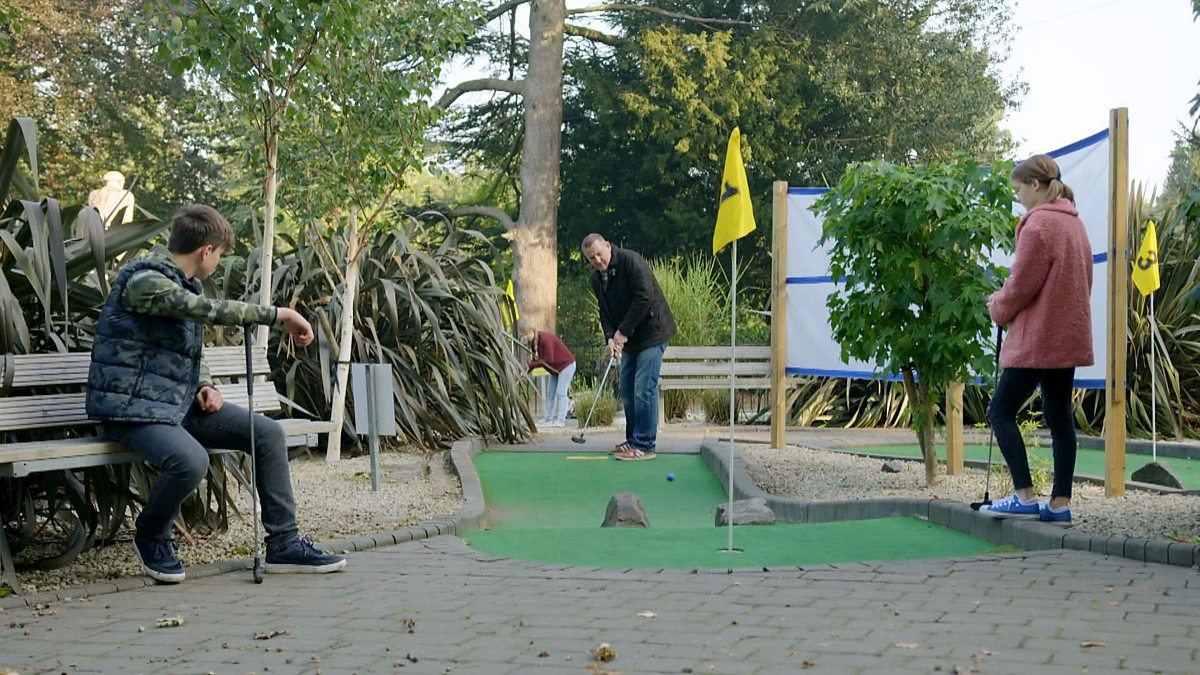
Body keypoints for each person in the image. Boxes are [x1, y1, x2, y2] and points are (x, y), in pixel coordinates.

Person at [86, 204, 347, 583]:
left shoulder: (180, 285)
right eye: (220, 254)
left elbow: (189, 351)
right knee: (191, 460)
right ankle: (151, 535)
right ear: (206, 251)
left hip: (176, 405)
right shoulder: (146, 281)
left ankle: (284, 544)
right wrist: (280, 315)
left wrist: (205, 385)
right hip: (132, 410)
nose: (219, 262)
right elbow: (204, 310)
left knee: (268, 434)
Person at [980, 155, 1093, 524]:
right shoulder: (1075, 224)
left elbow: (1020, 286)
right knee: (1059, 418)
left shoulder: (1039, 226)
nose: (1018, 197)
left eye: (1019, 189)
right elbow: (1084, 280)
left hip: (1039, 339)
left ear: (1035, 185)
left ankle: (1025, 496)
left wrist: (996, 306)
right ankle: (1060, 505)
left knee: (1000, 411)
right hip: (1067, 337)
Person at [582, 233, 676, 461]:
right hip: (631, 338)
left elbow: (644, 297)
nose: (598, 261)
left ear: (608, 246)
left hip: (653, 332)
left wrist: (623, 331)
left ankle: (645, 444)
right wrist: (610, 337)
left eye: (599, 254)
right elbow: (604, 311)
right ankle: (633, 440)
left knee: (643, 389)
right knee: (627, 389)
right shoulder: (596, 278)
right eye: (592, 258)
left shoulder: (630, 261)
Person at [525, 329, 576, 428]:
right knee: (550, 394)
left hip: (566, 365)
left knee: (561, 392)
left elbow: (548, 359)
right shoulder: (535, 343)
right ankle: (548, 419)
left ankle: (561, 420)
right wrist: (526, 371)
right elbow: (535, 361)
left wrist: (532, 365)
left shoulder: (545, 339)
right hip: (555, 369)